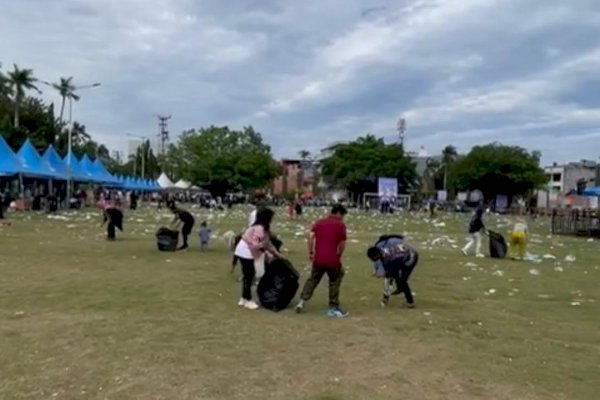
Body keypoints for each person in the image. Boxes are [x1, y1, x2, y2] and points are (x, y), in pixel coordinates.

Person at [295, 204, 349, 318]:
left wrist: (311, 252)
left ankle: (302, 301)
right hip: (332, 259)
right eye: (343, 215)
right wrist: (339, 255)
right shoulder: (340, 225)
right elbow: (342, 244)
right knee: (335, 279)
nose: (343, 217)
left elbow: (310, 237)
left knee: (313, 279)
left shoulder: (319, 222)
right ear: (338, 213)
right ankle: (333, 306)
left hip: (318, 258)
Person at [234, 207, 282, 310]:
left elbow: (267, 242)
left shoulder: (262, 228)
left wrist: (276, 253)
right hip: (245, 251)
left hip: (244, 250)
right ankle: (248, 300)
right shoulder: (259, 228)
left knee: (248, 275)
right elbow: (255, 245)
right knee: (249, 275)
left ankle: (243, 298)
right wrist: (266, 251)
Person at [367, 235, 418, 308]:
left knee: (402, 281)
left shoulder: (388, 261)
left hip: (411, 257)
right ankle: (400, 288)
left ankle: (410, 302)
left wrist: (385, 298)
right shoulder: (382, 251)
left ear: (376, 256)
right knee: (396, 275)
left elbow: (389, 280)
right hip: (404, 255)